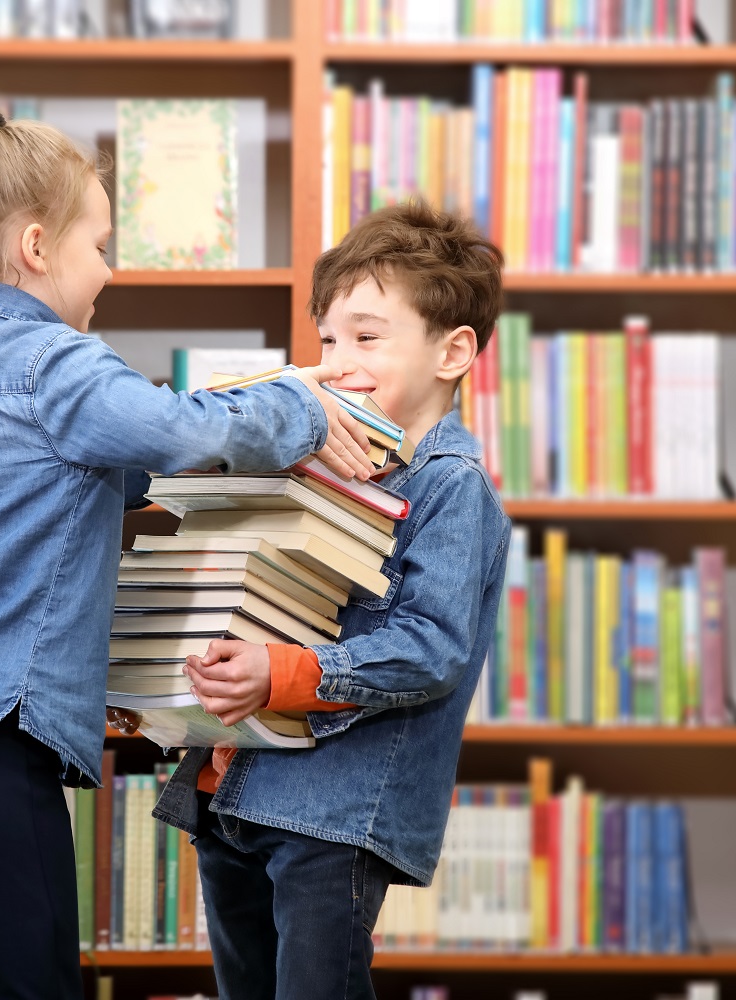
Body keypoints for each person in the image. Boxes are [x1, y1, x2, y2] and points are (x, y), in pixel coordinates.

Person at [0, 87, 375, 1000]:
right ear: (37, 248)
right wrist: (303, 399)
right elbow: (174, 430)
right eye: (99, 247)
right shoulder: (53, 362)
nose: (108, 273)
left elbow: (100, 476)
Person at [146, 201, 512, 1000]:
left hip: (328, 817)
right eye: (328, 338)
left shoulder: (452, 487)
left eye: (368, 337)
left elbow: (430, 647)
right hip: (228, 791)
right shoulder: (314, 461)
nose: (337, 363)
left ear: (454, 352)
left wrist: (281, 672)